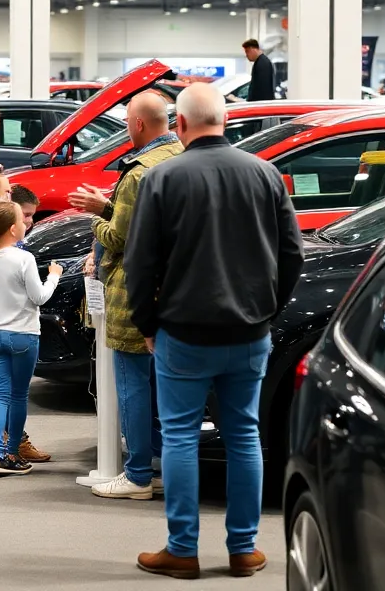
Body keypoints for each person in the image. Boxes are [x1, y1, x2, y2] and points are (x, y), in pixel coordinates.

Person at [124, 83, 303, 580]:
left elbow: (140, 264)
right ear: (225, 123)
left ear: (178, 125)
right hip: (249, 332)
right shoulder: (266, 175)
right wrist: (266, 310)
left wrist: (148, 325)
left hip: (182, 332)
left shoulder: (162, 179)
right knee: (245, 433)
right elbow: (293, 255)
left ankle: (183, 550)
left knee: (180, 437)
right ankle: (244, 550)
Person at [68, 91, 183, 502]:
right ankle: (162, 468)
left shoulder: (138, 173)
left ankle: (136, 474)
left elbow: (121, 236)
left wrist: (96, 215)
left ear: (137, 124)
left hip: (133, 292)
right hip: (177, 290)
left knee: (133, 386)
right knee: (165, 389)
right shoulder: (181, 157)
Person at [0, 202, 61, 477]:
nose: (25, 224)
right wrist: (54, 277)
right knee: (19, 396)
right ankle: (12, 452)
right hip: (24, 335)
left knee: (0, 395)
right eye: (23, 220)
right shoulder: (24, 259)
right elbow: (40, 297)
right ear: (12, 229)